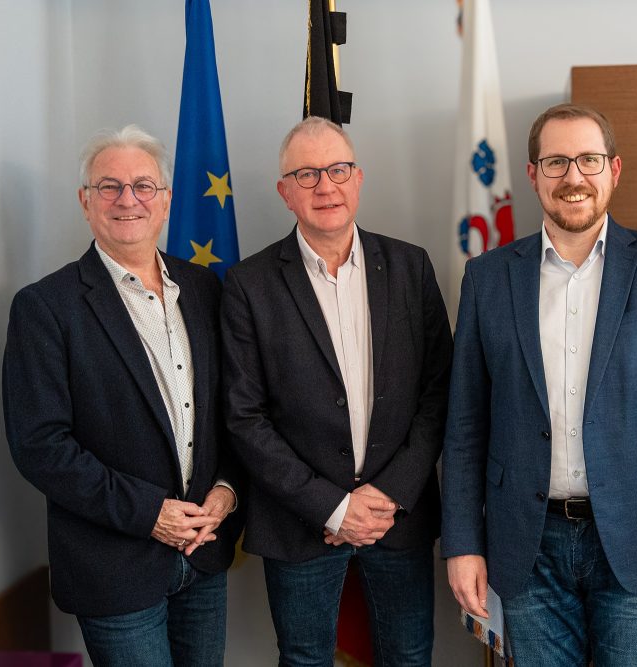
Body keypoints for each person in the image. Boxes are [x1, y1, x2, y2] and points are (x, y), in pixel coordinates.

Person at [441, 103, 637, 667]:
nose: (573, 177)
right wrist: (462, 543)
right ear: (532, 174)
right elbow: (465, 424)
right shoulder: (488, 277)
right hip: (525, 545)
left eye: (588, 160)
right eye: (555, 162)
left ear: (614, 169)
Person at [2, 125, 243, 666]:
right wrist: (149, 513)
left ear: (166, 202)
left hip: (203, 555)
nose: (127, 199)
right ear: (85, 202)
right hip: (114, 565)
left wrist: (227, 489)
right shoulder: (45, 307)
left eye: (143, 185)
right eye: (109, 186)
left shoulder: (206, 290)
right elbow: (40, 446)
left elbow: (235, 410)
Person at [221, 116, 452, 666]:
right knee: (304, 660)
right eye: (306, 174)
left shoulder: (409, 266)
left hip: (397, 514)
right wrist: (331, 507)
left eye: (338, 169)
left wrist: (388, 495)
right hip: (298, 520)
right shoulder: (247, 285)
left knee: (409, 657)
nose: (326, 186)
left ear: (359, 178)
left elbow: (440, 388)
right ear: (284, 192)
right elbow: (244, 416)